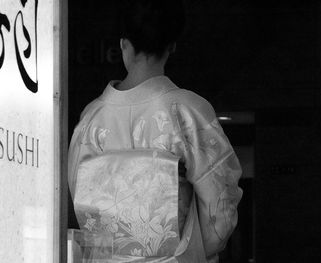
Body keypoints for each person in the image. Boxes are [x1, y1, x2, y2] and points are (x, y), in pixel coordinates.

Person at [68, 0, 243, 262]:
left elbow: (78, 197)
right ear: (171, 46)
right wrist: (184, 251)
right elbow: (221, 205)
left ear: (123, 45)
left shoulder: (91, 120)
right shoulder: (187, 111)